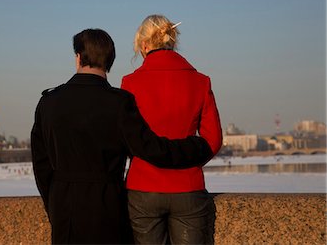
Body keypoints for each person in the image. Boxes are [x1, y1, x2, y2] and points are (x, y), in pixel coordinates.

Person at [31, 28, 215, 244]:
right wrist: (197, 147)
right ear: (110, 60)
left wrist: (54, 203)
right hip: (108, 205)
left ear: (78, 58)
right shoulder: (119, 102)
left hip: (64, 208)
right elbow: (150, 149)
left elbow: (41, 164)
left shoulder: (49, 102)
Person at [121, 15, 223, 244]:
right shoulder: (200, 81)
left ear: (145, 45)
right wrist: (186, 160)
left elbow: (125, 138)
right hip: (188, 186)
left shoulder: (130, 83)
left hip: (142, 186)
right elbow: (213, 140)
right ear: (171, 42)